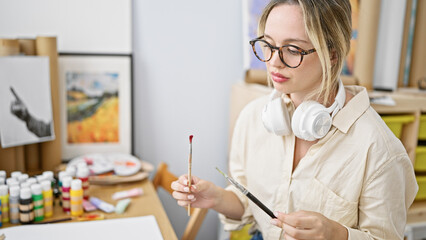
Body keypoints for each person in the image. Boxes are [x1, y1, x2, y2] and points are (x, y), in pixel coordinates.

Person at [171, 0, 418, 239]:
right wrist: (217, 198)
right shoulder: (253, 118)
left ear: (332, 55)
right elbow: (248, 205)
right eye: (267, 45)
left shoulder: (381, 151)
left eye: (292, 50)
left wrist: (337, 235)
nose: (273, 62)